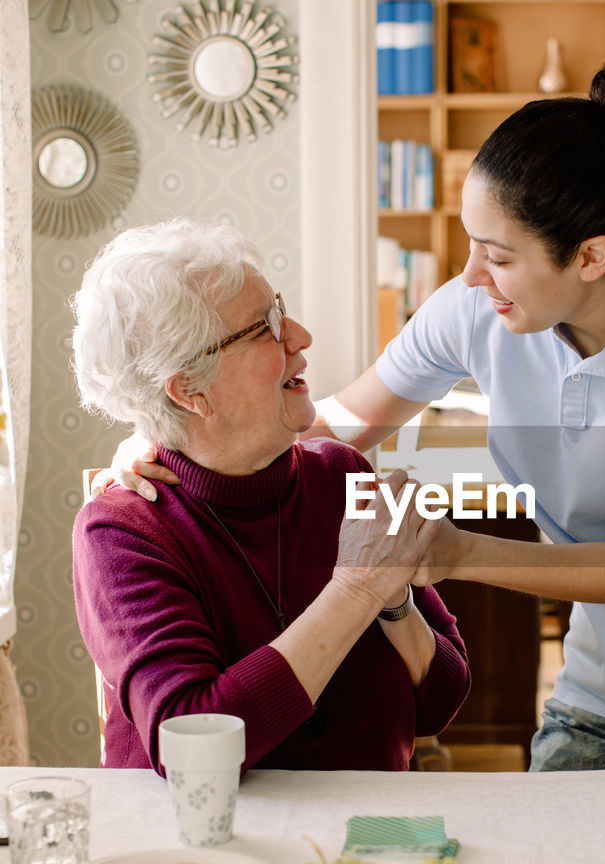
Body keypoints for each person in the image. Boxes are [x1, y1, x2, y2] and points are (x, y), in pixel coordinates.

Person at [104, 61, 605, 864]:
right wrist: (162, 430)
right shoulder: (481, 310)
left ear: (591, 257)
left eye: (495, 255)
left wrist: (453, 551)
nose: (467, 276)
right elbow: (339, 422)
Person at [71, 219, 470, 775]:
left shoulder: (342, 476)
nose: (301, 336)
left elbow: (440, 701)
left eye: (281, 310)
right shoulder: (124, 531)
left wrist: (393, 600)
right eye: (266, 328)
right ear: (191, 390)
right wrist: (356, 589)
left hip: (365, 840)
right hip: (200, 845)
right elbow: (193, 749)